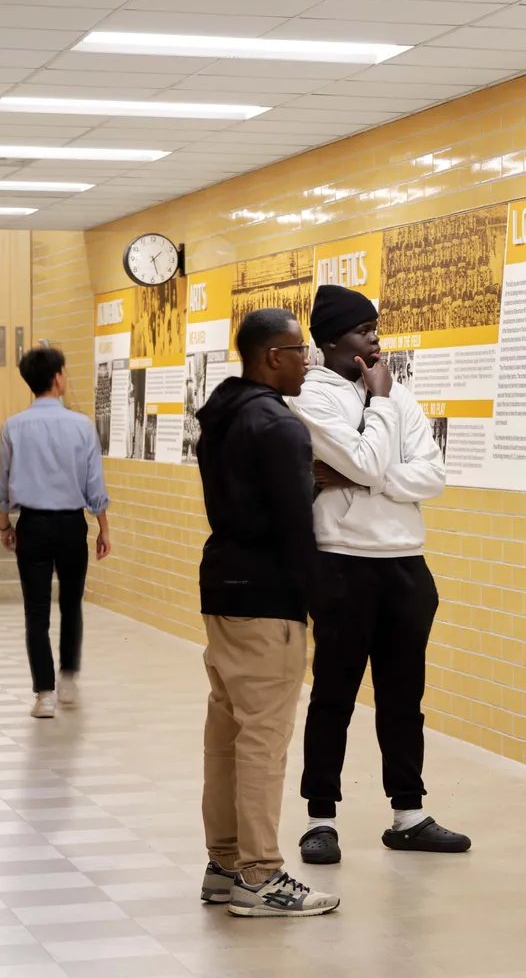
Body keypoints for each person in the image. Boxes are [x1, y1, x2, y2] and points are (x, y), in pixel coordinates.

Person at [289, 284, 470, 865]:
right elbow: (370, 457)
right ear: (333, 340)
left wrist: (370, 477)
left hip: (405, 564)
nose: (376, 338)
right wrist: (381, 433)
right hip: (341, 561)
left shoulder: (398, 395)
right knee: (334, 696)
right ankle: (320, 819)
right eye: (366, 329)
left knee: (403, 696)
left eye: (375, 327)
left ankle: (409, 815)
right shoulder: (310, 399)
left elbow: (434, 474)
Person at [195, 308, 339, 919]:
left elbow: (252, 499)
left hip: (223, 589)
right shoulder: (278, 426)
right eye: (299, 350)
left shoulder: (222, 417)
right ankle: (260, 875)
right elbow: (292, 528)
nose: (309, 360)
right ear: (271, 357)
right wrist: (319, 603)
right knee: (264, 740)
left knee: (227, 734)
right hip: (266, 599)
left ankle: (224, 865)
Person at [0, 346, 111, 719]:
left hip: (32, 524)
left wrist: (5, 525)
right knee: (71, 604)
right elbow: (95, 484)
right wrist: (103, 528)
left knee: (36, 612)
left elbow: (2, 483)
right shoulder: (81, 425)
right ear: (58, 377)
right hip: (71, 525)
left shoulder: (12, 426)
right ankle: (69, 678)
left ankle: (44, 694)